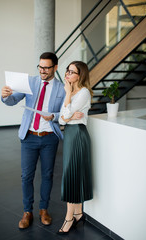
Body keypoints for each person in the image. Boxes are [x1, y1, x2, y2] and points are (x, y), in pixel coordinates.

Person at [1, 52, 65, 229]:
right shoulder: (30, 82)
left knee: (47, 175)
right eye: (40, 67)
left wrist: (54, 116)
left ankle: (43, 209)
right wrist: (6, 95)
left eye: (46, 67)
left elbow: (65, 113)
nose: (43, 71)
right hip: (29, 137)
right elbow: (13, 100)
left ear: (55, 67)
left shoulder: (62, 88)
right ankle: (27, 211)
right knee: (26, 176)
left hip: (49, 138)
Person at [57, 61, 93, 235]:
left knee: (71, 175)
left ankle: (69, 218)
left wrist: (68, 97)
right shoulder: (69, 92)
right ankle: (78, 213)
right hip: (71, 133)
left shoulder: (84, 92)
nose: (67, 74)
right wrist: (69, 115)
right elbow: (61, 120)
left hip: (78, 135)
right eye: (67, 71)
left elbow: (64, 117)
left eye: (72, 72)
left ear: (80, 75)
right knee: (72, 174)